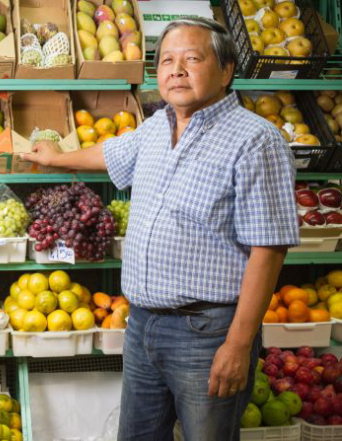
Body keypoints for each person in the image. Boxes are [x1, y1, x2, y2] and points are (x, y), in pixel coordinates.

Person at [21, 17, 300, 441]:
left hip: (206, 333)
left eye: (192, 58)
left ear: (226, 71)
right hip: (142, 325)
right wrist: (56, 158)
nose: (177, 70)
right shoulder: (156, 126)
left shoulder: (256, 140)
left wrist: (239, 345)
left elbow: (269, 249)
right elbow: (111, 153)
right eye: (167, 60)